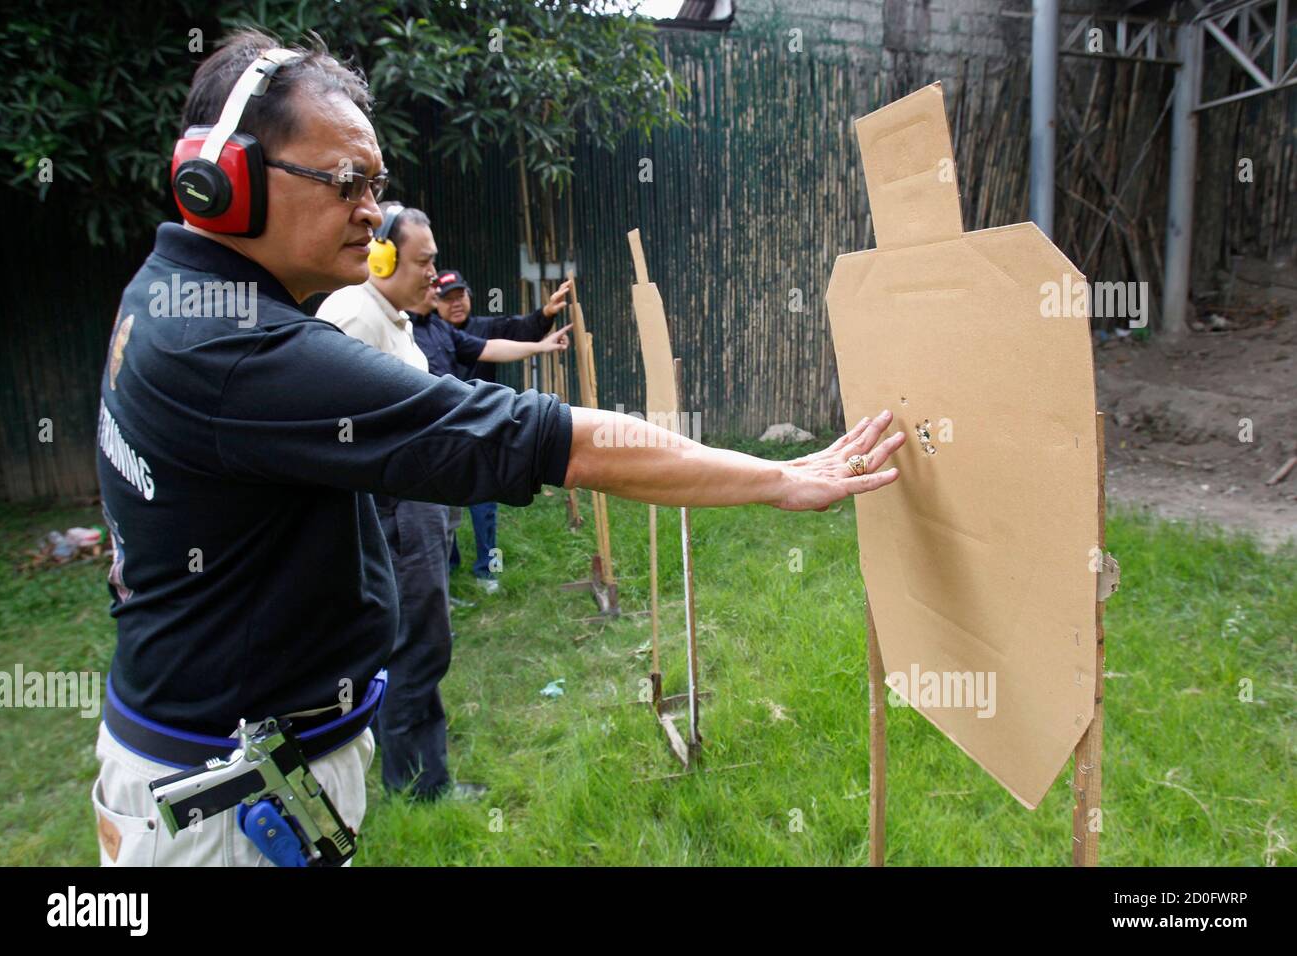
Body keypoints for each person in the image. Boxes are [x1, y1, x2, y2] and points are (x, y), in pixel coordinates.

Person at [92, 29, 905, 868]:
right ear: (221, 178)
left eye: (376, 185)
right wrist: (774, 477)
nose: (371, 212)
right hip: (226, 813)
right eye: (346, 183)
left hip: (210, 775)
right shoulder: (238, 355)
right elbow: (545, 438)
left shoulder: (170, 295)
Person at [315, 202, 481, 802]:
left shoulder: (395, 319)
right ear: (382, 256)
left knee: (415, 637)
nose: (434, 277)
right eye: (425, 262)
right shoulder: (354, 318)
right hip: (396, 510)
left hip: (415, 506)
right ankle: (422, 787)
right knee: (418, 640)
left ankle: (406, 766)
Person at [415, 269, 573, 593]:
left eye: (461, 296)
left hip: (480, 433)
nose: (456, 303)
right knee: (442, 512)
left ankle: (489, 570)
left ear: (470, 297)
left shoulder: (479, 330)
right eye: (447, 298)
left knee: (485, 506)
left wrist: (545, 322)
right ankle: (447, 570)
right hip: (439, 437)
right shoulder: (421, 332)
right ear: (435, 302)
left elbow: (515, 332)